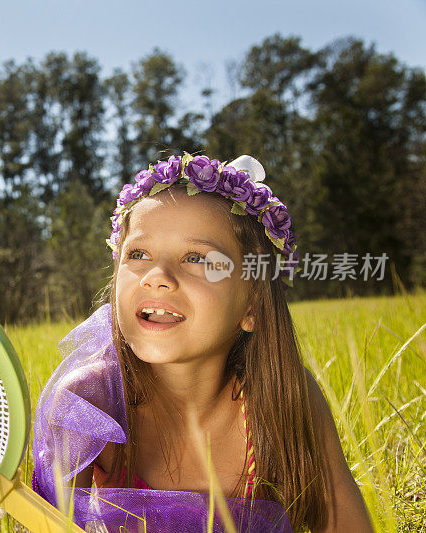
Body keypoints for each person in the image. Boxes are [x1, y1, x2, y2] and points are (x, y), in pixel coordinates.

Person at [31, 153, 374, 532]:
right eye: (139, 254)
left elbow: (344, 521)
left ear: (252, 305)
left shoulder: (281, 398)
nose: (157, 276)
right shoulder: (88, 403)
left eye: (196, 258)